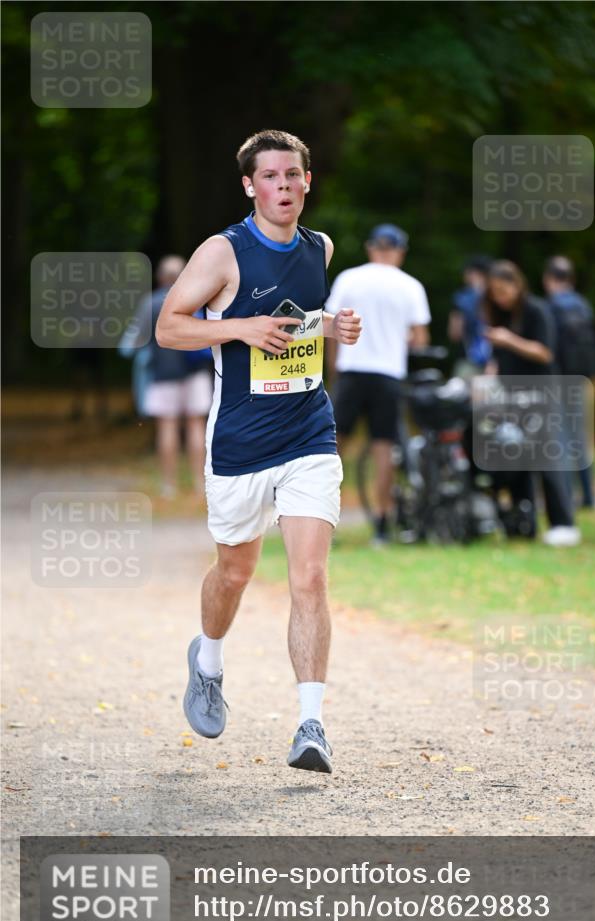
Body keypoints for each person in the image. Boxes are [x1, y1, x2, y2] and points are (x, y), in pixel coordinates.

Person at [156, 129, 361, 773]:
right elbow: (168, 327)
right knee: (236, 574)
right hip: (241, 441)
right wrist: (241, 327)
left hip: (308, 433)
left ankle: (311, 724)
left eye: (292, 176)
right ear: (250, 186)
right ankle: (208, 660)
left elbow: (300, 321)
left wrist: (334, 327)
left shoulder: (319, 248)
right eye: (269, 177)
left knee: (310, 577)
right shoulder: (224, 252)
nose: (282, 187)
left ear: (308, 182)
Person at [326, 223, 431, 544]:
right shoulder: (410, 286)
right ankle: (383, 525)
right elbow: (419, 338)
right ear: (400, 251)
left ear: (371, 248)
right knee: (384, 447)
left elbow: (331, 325)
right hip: (388, 373)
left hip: (352, 370)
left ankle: (318, 519)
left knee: (332, 447)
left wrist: (333, 369)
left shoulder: (350, 278)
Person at [483, 260, 581, 547]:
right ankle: (523, 522)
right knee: (516, 455)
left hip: (542, 393)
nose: (499, 296)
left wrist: (509, 340)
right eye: (494, 292)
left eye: (503, 290)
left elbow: (545, 352)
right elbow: (498, 358)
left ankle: (564, 523)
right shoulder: (500, 314)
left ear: (517, 284)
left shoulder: (537, 310)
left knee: (547, 456)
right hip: (512, 396)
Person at [123, 256, 213, 497]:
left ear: (160, 277)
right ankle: (199, 483)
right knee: (196, 425)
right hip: (196, 373)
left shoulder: (150, 304)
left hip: (162, 375)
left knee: (167, 427)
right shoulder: (195, 300)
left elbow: (131, 343)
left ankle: (168, 486)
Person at [543, 255, 595, 508]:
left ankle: (566, 494)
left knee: (562, 438)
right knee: (580, 437)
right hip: (581, 378)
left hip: (559, 379)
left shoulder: (551, 307)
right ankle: (589, 495)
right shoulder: (583, 306)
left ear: (549, 279)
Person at [448, 254, 493, 378]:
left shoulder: (462, 298)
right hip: (495, 363)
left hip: (469, 362)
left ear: (472, 272)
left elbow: (455, 334)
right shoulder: (499, 296)